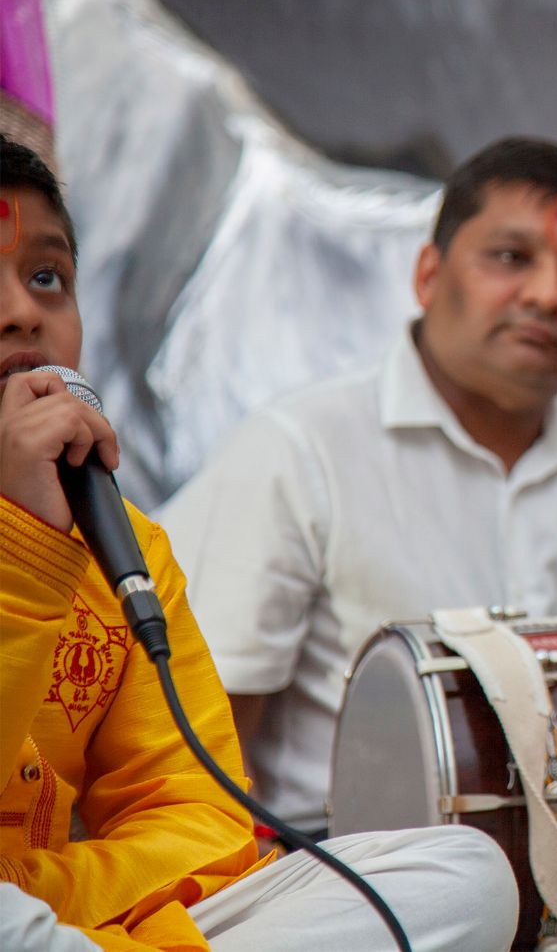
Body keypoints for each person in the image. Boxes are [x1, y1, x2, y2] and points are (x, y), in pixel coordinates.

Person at [0, 133, 517, 951]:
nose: (23, 312)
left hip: (73, 924)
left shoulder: (124, 543)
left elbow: (201, 817)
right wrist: (24, 548)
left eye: (46, 277)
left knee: (463, 874)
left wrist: (49, 893)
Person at [159, 136, 557, 834]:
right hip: (337, 868)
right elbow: (200, 745)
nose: (546, 295)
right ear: (428, 275)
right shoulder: (299, 450)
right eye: (512, 257)